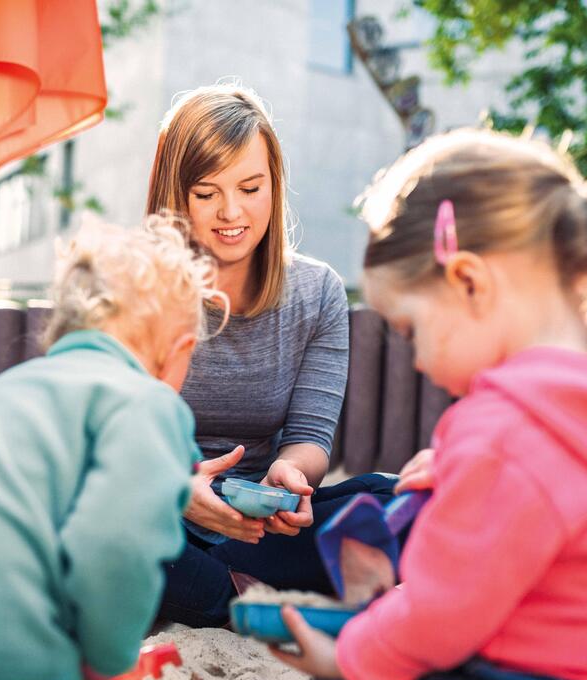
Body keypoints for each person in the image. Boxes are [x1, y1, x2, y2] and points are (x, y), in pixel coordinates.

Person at [273, 128, 587, 680]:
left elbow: (441, 615)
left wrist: (348, 658)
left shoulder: (503, 429)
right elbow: (577, 496)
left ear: (468, 280)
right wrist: (466, 473)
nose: (414, 361)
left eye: (411, 330)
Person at [0, 214, 221, 680]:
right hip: (11, 674)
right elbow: (114, 546)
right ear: (178, 351)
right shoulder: (145, 404)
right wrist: (109, 660)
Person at [145, 83, 400, 628]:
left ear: (275, 184)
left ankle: (224, 587)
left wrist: (290, 475)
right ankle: (236, 596)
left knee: (392, 499)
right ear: (176, 193)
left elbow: (310, 437)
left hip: (258, 527)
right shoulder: (136, 286)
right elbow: (107, 442)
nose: (230, 212)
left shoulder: (318, 292)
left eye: (250, 186)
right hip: (152, 513)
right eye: (206, 192)